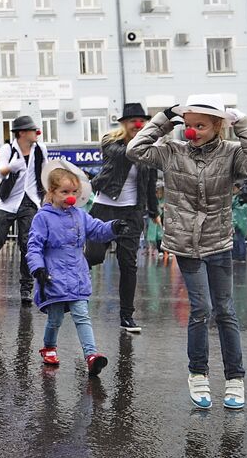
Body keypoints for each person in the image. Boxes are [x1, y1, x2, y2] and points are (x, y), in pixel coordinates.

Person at [127, 94, 247, 410]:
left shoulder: (233, 154)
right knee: (200, 308)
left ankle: (235, 378)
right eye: (188, 124)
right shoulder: (171, 151)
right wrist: (164, 118)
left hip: (218, 240)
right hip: (184, 242)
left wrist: (243, 122)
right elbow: (134, 150)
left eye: (200, 125)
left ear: (218, 125)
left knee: (225, 310)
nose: (192, 130)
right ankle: (198, 372)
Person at [27, 161, 130, 376]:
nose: (70, 197)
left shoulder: (79, 214)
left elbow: (96, 230)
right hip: (52, 275)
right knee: (55, 318)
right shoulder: (42, 218)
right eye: (64, 192)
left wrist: (113, 227)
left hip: (77, 274)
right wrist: (38, 268)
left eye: (74, 192)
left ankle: (91, 356)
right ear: (51, 192)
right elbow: (34, 246)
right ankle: (49, 347)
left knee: (82, 315)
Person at [85, 103, 158, 331]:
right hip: (104, 208)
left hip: (131, 212)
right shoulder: (110, 142)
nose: (137, 125)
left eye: (141, 121)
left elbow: (151, 184)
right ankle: (72, 290)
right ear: (123, 124)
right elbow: (123, 157)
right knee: (94, 256)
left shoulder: (149, 152)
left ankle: (127, 316)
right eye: (132, 121)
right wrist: (143, 141)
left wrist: (154, 213)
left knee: (128, 264)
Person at [0, 115, 49, 303]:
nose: (37, 133)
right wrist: (11, 167)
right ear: (22, 133)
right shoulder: (8, 149)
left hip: (30, 202)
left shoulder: (40, 148)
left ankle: (26, 287)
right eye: (33, 130)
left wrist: (48, 195)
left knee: (26, 244)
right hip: (8, 202)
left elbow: (46, 172)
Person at [146, 182, 165, 259]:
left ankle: (167, 251)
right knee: (156, 235)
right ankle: (158, 250)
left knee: (163, 234)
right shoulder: (155, 199)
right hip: (156, 217)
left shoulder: (165, 199)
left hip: (164, 218)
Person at [231, 184, 247, 262]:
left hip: (239, 221)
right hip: (238, 221)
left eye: (234, 188)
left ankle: (241, 256)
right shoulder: (242, 198)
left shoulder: (239, 198)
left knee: (240, 240)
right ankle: (236, 256)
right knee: (236, 240)